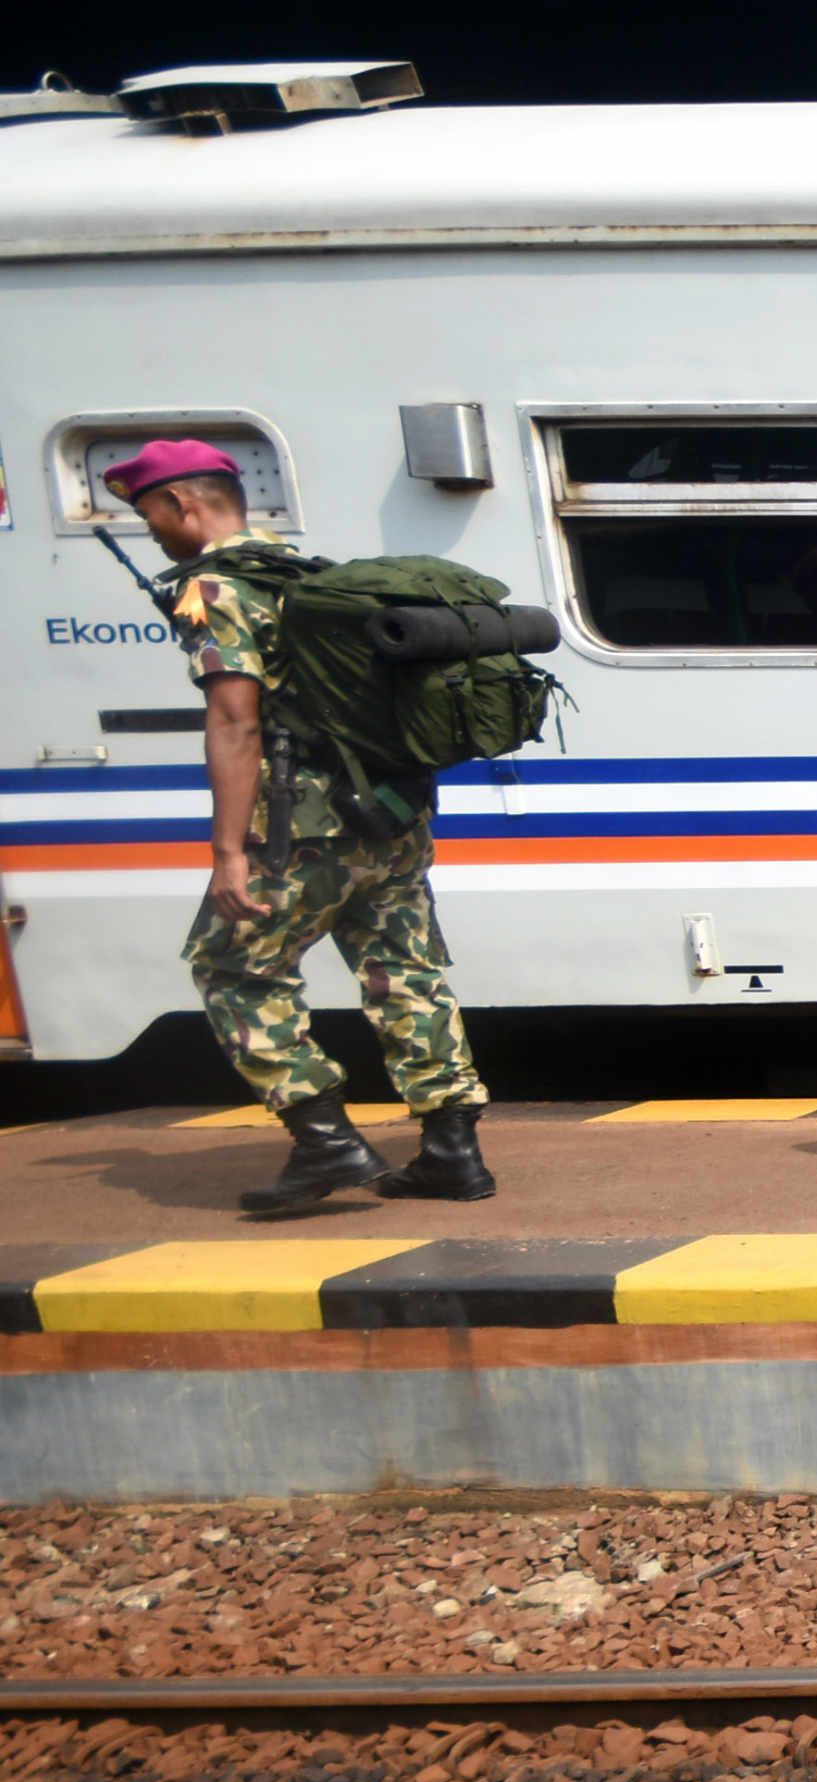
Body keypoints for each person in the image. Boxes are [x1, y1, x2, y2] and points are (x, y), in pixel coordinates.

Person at [114, 437, 494, 1214]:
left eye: (151, 512)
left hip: (301, 828)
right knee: (407, 973)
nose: (150, 529)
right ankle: (453, 1151)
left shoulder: (216, 589)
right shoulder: (308, 576)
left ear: (185, 504)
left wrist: (229, 852)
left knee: (232, 968)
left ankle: (325, 1139)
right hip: (389, 815)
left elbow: (235, 720)